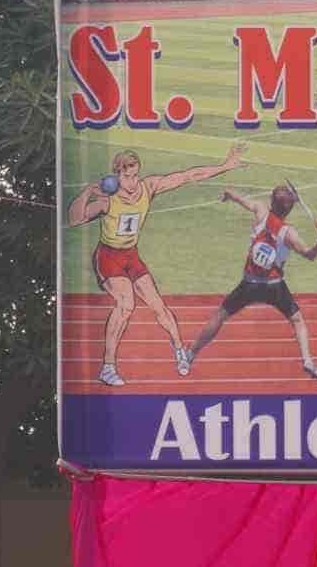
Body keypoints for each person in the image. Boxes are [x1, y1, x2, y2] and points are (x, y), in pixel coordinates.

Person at [65, 142, 247, 387]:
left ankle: (180, 351)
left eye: (135, 175)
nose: (132, 182)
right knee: (126, 304)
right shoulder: (107, 200)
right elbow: (74, 219)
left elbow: (188, 176)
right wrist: (88, 191)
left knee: (158, 306)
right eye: (127, 177)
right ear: (116, 176)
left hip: (131, 255)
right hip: (108, 257)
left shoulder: (148, 187)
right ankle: (107, 367)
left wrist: (225, 166)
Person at [185, 181, 317, 382]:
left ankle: (190, 354)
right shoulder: (289, 233)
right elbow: (309, 255)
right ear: (289, 209)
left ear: (272, 202)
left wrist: (229, 193)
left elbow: (242, 199)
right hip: (274, 287)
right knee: (297, 320)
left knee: (220, 315)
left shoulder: (261, 210)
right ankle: (307, 360)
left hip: (249, 284)